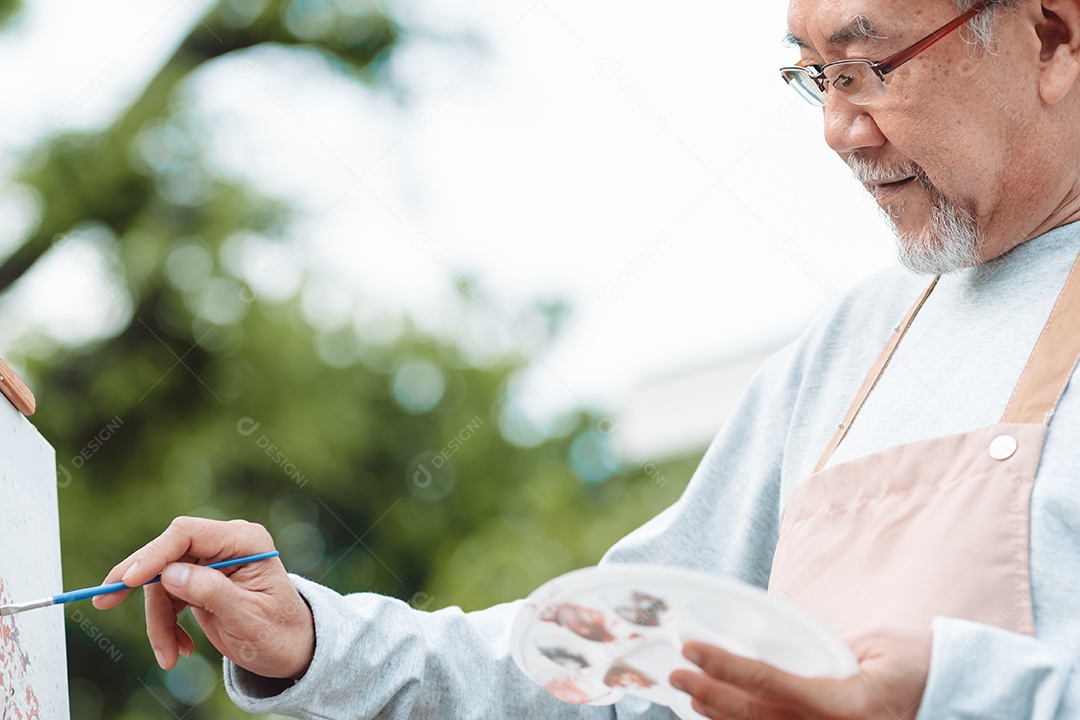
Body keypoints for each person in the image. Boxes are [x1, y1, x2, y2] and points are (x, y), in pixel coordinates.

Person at [94, 0, 1080, 717]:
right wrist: (316, 638)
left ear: (1054, 35)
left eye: (871, 66)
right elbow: (605, 658)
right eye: (815, 72)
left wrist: (947, 698)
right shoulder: (853, 347)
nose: (835, 128)